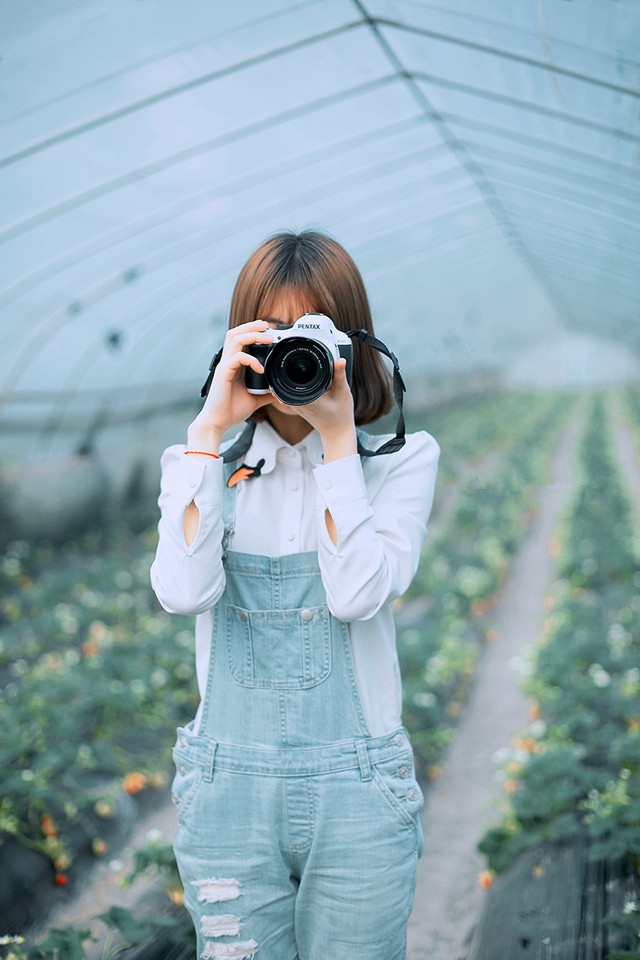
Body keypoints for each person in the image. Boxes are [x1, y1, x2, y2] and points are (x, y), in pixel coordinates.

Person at [150, 230, 439, 960]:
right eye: (272, 335)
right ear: (238, 341)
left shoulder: (398, 465)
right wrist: (210, 429)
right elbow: (183, 593)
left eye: (310, 337)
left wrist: (338, 444)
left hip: (360, 798)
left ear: (352, 345)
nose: (290, 359)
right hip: (228, 801)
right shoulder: (198, 467)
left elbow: (357, 595)